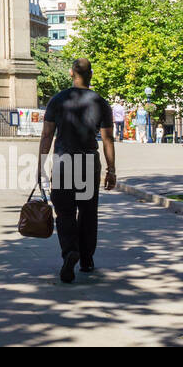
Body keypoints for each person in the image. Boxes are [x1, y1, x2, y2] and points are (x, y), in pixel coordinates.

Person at [38, 58, 117, 283]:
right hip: (89, 162)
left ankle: (69, 251)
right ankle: (87, 260)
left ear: (71, 72)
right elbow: (107, 139)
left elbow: (46, 135)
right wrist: (111, 170)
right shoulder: (101, 103)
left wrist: (40, 165)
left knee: (64, 212)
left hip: (64, 162)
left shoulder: (57, 100)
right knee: (88, 212)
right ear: (91, 74)